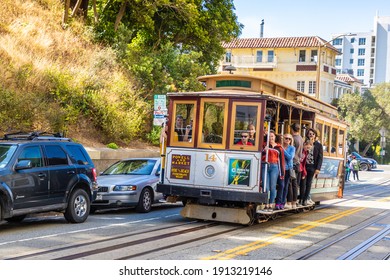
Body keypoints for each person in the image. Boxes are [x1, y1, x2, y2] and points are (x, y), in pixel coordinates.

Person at [261, 131, 285, 211]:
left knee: (272, 186)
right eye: (269, 136)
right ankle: (265, 203)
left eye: (272, 136)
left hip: (274, 167)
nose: (271, 138)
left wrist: (282, 173)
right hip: (265, 165)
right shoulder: (264, 145)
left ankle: (271, 203)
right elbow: (260, 155)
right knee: (265, 186)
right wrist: (264, 150)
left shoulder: (279, 147)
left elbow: (281, 161)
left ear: (275, 137)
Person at [301, 128, 323, 206]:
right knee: (303, 183)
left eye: (313, 134)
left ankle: (305, 199)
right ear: (307, 134)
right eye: (310, 134)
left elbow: (320, 157)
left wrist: (318, 168)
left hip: (313, 167)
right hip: (304, 166)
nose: (311, 135)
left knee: (309, 183)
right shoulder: (305, 143)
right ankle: (301, 199)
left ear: (315, 135)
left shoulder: (318, 145)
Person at [280, 133, 296, 209]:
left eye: (289, 139)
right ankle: (278, 202)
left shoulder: (292, 148)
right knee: (280, 185)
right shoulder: (279, 146)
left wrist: (282, 149)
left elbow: (290, 157)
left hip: (287, 169)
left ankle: (283, 202)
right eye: (286, 138)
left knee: (285, 186)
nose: (287, 140)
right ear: (283, 138)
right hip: (280, 168)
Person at [290, 123, 304, 207]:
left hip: (293, 162)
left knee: (292, 183)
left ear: (292, 129)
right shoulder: (301, 138)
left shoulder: (293, 139)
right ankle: (294, 201)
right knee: (295, 184)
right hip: (298, 162)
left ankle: (292, 201)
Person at [299, 139, 313, 205]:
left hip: (304, 169)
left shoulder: (306, 152)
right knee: (302, 184)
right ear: (304, 144)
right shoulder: (302, 151)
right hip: (300, 169)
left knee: (307, 184)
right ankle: (301, 199)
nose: (308, 147)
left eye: (310, 146)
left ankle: (304, 199)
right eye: (307, 146)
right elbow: (301, 162)